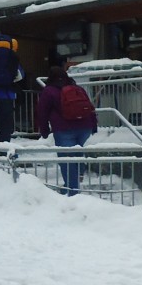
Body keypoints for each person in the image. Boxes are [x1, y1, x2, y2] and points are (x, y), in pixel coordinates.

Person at [37, 62, 98, 196]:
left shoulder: (49, 91)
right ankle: (78, 173)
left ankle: (73, 191)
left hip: (63, 129)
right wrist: (93, 125)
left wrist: (44, 130)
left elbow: (42, 112)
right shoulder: (77, 88)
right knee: (77, 151)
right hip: (85, 127)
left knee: (66, 159)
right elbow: (89, 107)